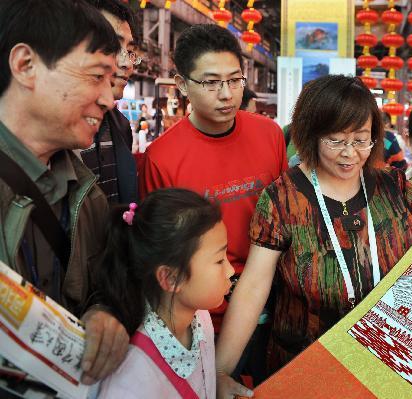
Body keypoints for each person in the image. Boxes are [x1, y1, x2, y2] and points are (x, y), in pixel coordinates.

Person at [216, 75, 412, 397]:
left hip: (385, 365)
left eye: (362, 140)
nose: (350, 154)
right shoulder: (283, 199)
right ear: (310, 135)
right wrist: (221, 370)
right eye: (335, 141)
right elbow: (254, 285)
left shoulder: (394, 186)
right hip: (304, 367)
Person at [140, 23, 287, 386]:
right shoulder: (161, 158)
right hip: (208, 320)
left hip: (278, 306)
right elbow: (162, 254)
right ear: (182, 84)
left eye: (234, 80)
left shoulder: (269, 135)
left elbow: (286, 219)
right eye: (210, 82)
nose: (226, 94)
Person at [0, 0, 128, 387]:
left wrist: (107, 312)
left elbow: (107, 282)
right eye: (96, 76)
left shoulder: (87, 194)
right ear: (25, 65)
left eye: (111, 80)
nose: (109, 98)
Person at [97, 189, 233, 398]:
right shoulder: (131, 381)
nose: (231, 270)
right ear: (169, 278)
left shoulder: (200, 317)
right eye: (219, 260)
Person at [80, 0, 139, 204]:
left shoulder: (121, 127)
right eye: (113, 46)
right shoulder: (54, 134)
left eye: (130, 51)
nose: (126, 63)